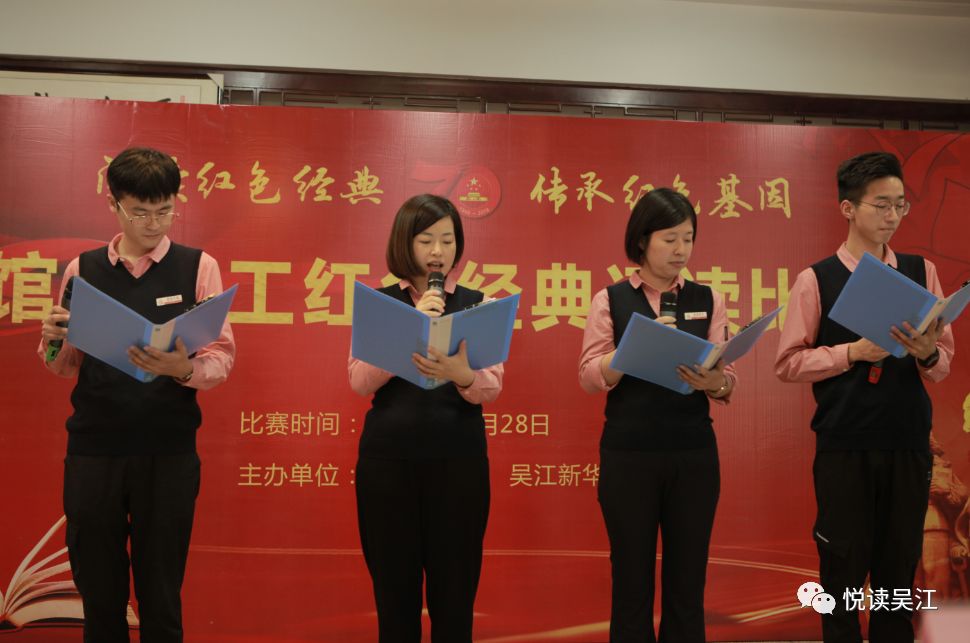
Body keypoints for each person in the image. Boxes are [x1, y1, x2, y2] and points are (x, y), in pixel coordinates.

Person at [39, 147, 235, 643]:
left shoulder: (198, 266)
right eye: (140, 213)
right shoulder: (82, 270)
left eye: (164, 211)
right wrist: (53, 340)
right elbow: (64, 365)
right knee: (99, 592)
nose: (153, 223)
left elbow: (221, 357)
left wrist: (181, 368)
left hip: (167, 452)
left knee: (161, 592)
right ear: (114, 205)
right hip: (94, 451)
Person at [775, 151, 955, 643]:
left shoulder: (921, 271)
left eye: (900, 205)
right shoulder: (817, 279)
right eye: (881, 205)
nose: (892, 215)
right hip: (846, 444)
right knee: (843, 571)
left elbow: (943, 363)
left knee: (898, 571)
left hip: (907, 442)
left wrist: (925, 353)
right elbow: (788, 362)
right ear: (848, 208)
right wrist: (852, 351)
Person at [578, 187, 736, 643]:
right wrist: (631, 350)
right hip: (630, 456)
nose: (681, 249)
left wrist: (715, 382)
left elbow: (727, 379)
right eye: (670, 238)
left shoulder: (709, 298)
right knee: (631, 579)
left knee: (688, 579)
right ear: (643, 240)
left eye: (688, 238)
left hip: (693, 455)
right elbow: (589, 375)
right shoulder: (610, 300)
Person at [348, 193, 502, 642]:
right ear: (405, 243)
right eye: (427, 240)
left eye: (448, 241)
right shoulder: (380, 303)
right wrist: (410, 331)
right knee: (395, 598)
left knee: (454, 599)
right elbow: (358, 380)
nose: (438, 252)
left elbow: (491, 387)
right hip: (388, 466)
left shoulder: (478, 303)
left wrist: (461, 373)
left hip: (459, 465)